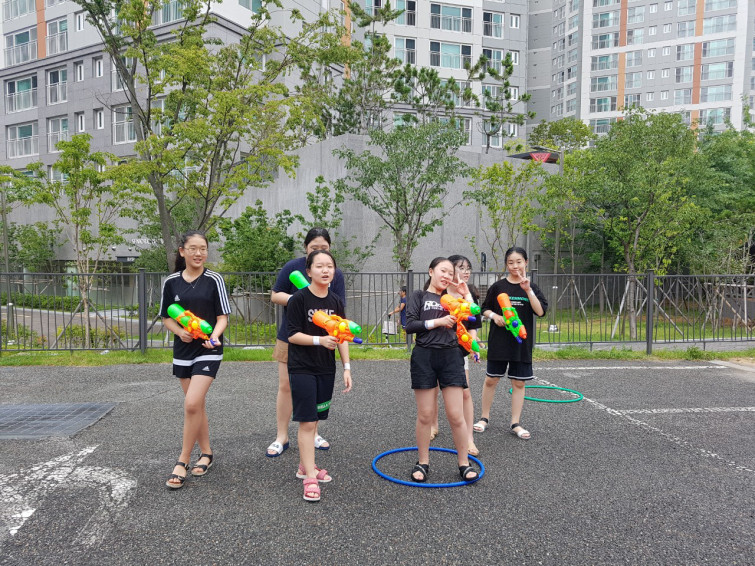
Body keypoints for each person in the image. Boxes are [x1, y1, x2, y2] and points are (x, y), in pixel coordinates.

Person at [161, 231, 231, 489]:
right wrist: (180, 332)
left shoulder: (214, 279)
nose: (199, 253)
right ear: (182, 251)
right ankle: (207, 453)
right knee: (196, 406)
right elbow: (166, 317)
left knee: (191, 403)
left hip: (208, 349)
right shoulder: (171, 282)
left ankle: (182, 460)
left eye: (203, 248)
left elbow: (223, 317)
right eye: (193, 248)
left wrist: (214, 336)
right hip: (182, 351)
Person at [268, 228, 346, 457]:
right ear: (305, 248)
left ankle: (313, 432)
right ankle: (282, 436)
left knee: (317, 387)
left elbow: (339, 306)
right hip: (291, 335)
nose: (319, 252)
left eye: (324, 248)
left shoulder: (334, 273)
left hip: (322, 339)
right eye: (314, 248)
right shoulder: (292, 267)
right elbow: (275, 295)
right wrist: (301, 299)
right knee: (286, 386)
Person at [286, 250, 353, 502]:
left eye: (329, 266)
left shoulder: (335, 301)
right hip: (302, 367)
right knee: (306, 421)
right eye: (319, 266)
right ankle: (310, 478)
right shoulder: (298, 299)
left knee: (315, 420)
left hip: (326, 368)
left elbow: (342, 335)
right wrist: (320, 340)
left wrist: (347, 367)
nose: (325, 270)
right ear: (309, 271)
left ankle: (305, 466)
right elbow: (293, 335)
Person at [405, 257, 478, 483]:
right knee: (425, 415)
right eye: (443, 271)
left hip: (451, 357)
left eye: (450, 273)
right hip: (424, 356)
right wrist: (438, 322)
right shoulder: (419, 296)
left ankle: (464, 463)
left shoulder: (454, 298)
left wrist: (466, 294)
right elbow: (410, 325)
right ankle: (423, 462)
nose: (447, 276)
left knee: (456, 415)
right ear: (431, 271)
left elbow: (474, 319)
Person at [474, 247, 547, 440]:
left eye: (519, 262)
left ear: (526, 263)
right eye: (511, 262)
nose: (515, 266)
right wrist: (494, 316)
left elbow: (540, 311)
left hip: (521, 342)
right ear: (506, 264)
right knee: (491, 379)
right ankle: (484, 418)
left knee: (519, 382)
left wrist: (528, 290)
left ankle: (515, 423)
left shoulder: (531, 287)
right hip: (499, 340)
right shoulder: (498, 286)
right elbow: (484, 308)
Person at [446, 254, 481, 457]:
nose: (466, 272)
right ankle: (433, 425)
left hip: (460, 350)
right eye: (461, 268)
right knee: (434, 390)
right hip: (437, 349)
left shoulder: (469, 294)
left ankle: (469, 438)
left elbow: (474, 324)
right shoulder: (440, 291)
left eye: (468, 268)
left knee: (465, 392)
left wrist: (473, 346)